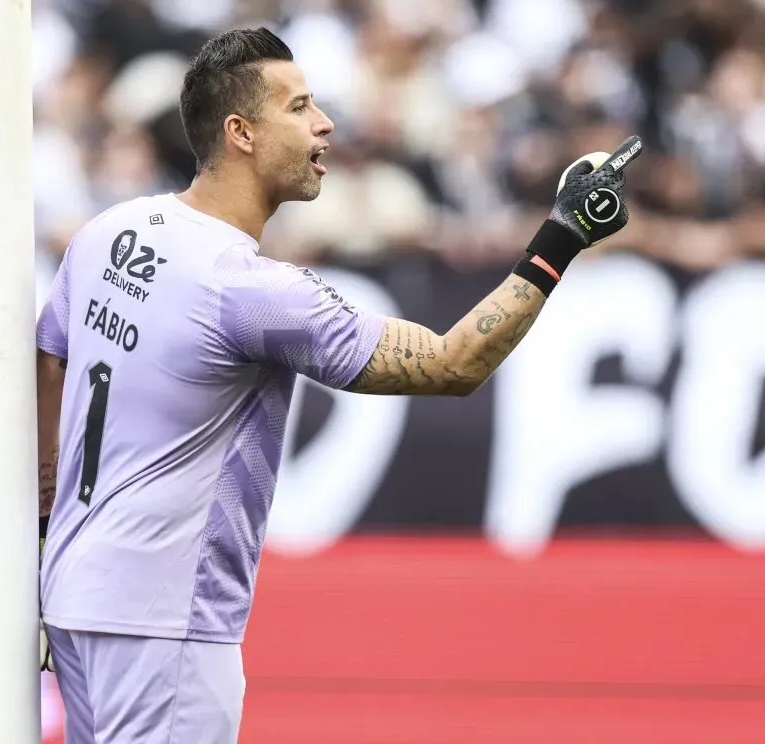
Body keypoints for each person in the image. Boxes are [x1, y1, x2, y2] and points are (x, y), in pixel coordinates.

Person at [34, 26, 641, 744]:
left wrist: (47, 517)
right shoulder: (249, 289)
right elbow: (453, 364)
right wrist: (562, 235)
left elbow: (51, 360)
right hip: (166, 619)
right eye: (299, 107)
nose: (324, 123)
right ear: (241, 133)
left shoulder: (113, 230)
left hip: (75, 593)